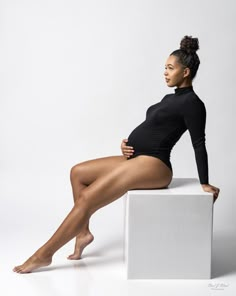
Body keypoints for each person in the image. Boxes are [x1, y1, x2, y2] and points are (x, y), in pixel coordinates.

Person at [13, 35, 220, 274]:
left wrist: (204, 182)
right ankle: (83, 233)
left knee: (88, 198)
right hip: (138, 158)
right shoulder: (169, 98)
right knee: (78, 173)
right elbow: (153, 130)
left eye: (170, 68)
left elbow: (199, 143)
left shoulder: (193, 103)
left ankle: (44, 255)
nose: (165, 72)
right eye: (164, 68)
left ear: (185, 72)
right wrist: (128, 144)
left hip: (156, 165)